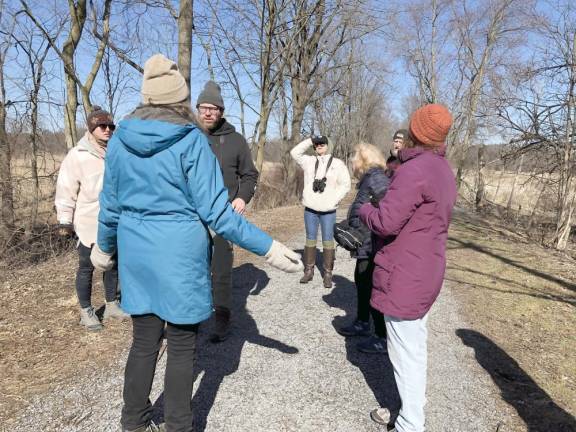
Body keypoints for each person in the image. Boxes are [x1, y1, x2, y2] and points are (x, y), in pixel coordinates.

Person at [90, 54, 302, 432]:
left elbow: (110, 204)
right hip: (180, 256)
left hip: (136, 254)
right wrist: (268, 248)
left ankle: (133, 423)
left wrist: (104, 248)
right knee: (183, 348)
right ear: (180, 99)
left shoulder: (120, 139)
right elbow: (218, 214)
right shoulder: (191, 140)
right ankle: (178, 426)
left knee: (143, 343)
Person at [359, 104, 457, 432]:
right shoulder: (442, 168)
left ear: (416, 132)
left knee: (405, 355)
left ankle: (410, 423)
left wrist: (364, 211)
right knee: (414, 346)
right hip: (426, 269)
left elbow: (386, 222)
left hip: (406, 273)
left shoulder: (416, 170)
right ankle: (410, 410)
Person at [195, 80, 259, 343]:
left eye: (214, 108)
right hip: (193, 215)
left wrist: (243, 198)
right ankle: (192, 316)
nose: (208, 113)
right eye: (204, 108)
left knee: (221, 268)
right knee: (194, 267)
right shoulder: (188, 135)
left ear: (221, 111)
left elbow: (250, 175)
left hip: (224, 215)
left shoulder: (235, 141)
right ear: (197, 109)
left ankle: (221, 316)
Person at [55, 105, 127, 331]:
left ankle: (112, 303)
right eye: (102, 126)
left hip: (115, 220)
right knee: (87, 267)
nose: (108, 130)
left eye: (111, 126)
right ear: (91, 128)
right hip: (88, 222)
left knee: (113, 264)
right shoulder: (78, 155)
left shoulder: (117, 152)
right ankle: (86, 310)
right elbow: (66, 189)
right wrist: (65, 221)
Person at [336, 143, 390, 355]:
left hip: (372, 243)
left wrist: (366, 229)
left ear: (363, 160)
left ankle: (381, 336)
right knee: (362, 281)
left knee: (371, 286)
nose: (352, 163)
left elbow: (386, 211)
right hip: (365, 242)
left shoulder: (376, 179)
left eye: (354, 159)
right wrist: (352, 225)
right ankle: (362, 322)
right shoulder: (369, 178)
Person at [290, 136, 351, 288]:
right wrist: (310, 140)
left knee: (328, 241)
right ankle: (309, 270)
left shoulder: (337, 164)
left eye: (322, 143)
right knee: (310, 239)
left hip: (328, 210)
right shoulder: (309, 161)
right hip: (310, 208)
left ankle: (328, 273)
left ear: (328, 146)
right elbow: (294, 153)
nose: (319, 146)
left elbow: (346, 184)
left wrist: (334, 199)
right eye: (317, 144)